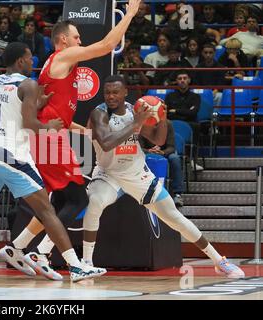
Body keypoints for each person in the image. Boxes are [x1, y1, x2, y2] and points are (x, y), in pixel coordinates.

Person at [0, 42, 106, 282]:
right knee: (48, 211)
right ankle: (76, 266)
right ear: (19, 61)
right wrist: (49, 126)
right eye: (29, 59)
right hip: (13, 155)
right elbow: (28, 123)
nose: (32, 63)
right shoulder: (28, 84)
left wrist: (39, 104)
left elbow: (11, 109)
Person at [0, 0, 141, 281]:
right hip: (48, 138)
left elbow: (57, 112)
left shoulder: (59, 66)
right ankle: (45, 254)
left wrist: (82, 131)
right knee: (77, 199)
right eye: (76, 37)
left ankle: (17, 248)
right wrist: (130, 14)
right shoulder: (62, 57)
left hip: (49, 136)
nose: (80, 41)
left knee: (61, 202)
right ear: (63, 40)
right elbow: (105, 45)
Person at [81, 75, 245, 280]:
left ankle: (219, 261)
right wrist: (135, 124)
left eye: (115, 92)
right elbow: (106, 143)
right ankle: (86, 263)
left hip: (137, 174)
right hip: (108, 174)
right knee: (95, 202)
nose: (110, 96)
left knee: (175, 218)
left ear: (125, 93)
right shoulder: (99, 113)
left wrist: (162, 119)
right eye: (107, 92)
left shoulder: (136, 110)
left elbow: (158, 140)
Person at [140, 120, 185, 207]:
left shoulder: (167, 124)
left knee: (175, 158)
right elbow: (139, 147)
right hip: (147, 154)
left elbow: (171, 147)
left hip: (164, 153)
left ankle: (177, 194)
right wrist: (148, 151)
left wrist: (163, 152)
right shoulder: (142, 123)